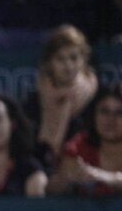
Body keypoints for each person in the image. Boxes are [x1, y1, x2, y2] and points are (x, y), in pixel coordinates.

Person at [21, 24, 97, 171]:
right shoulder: (34, 102)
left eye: (74, 58)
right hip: (42, 169)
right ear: (49, 62)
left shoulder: (96, 99)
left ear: (84, 59)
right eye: (60, 59)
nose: (68, 66)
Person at [48, 82, 122, 197]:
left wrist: (104, 176)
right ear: (93, 114)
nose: (110, 120)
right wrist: (68, 178)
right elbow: (51, 190)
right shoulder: (79, 145)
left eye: (119, 113)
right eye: (104, 111)